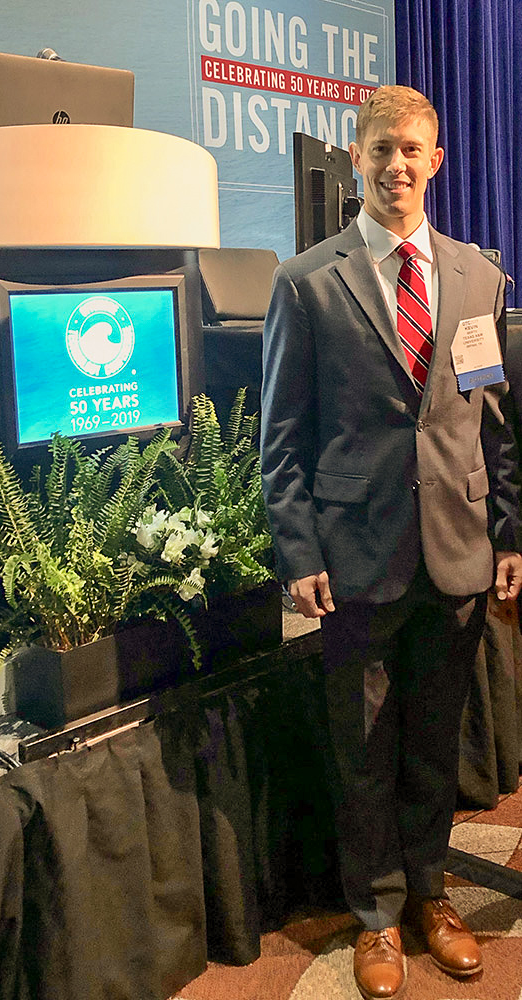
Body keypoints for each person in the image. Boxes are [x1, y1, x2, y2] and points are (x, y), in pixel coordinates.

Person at [260, 85, 522, 999]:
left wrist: (508, 530)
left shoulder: (478, 278)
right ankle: (373, 915)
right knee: (362, 745)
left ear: (436, 160)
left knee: (431, 740)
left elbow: (489, 420)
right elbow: (281, 438)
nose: (397, 165)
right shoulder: (305, 282)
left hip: (455, 550)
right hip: (355, 556)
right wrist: (297, 552)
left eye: (413, 150)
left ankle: (428, 892)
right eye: (381, 150)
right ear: (357, 155)